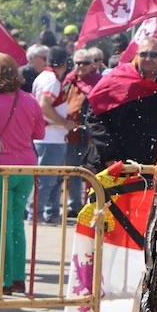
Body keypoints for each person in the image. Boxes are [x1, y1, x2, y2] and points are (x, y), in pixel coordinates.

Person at [0, 53, 45, 295]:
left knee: (0, 228)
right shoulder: (30, 100)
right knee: (16, 225)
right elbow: (39, 134)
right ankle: (17, 278)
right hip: (26, 167)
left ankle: (2, 280)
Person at [83, 35, 157, 170]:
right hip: (113, 164)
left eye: (153, 54)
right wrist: (109, 156)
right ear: (136, 55)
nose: (148, 58)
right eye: (143, 54)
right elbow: (94, 119)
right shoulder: (117, 78)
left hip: (149, 165)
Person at [32, 47, 78, 223]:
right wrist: (64, 123)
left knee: (49, 179)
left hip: (48, 136)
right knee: (46, 180)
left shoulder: (43, 77)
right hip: (50, 138)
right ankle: (36, 215)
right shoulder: (52, 80)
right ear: (65, 63)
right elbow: (44, 105)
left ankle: (47, 214)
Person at [61, 47, 102, 215]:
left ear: (92, 65)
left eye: (85, 63)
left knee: (89, 173)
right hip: (72, 134)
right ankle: (74, 205)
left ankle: (89, 205)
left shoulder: (98, 81)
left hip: (90, 136)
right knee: (72, 170)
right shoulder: (70, 80)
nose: (81, 66)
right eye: (77, 63)